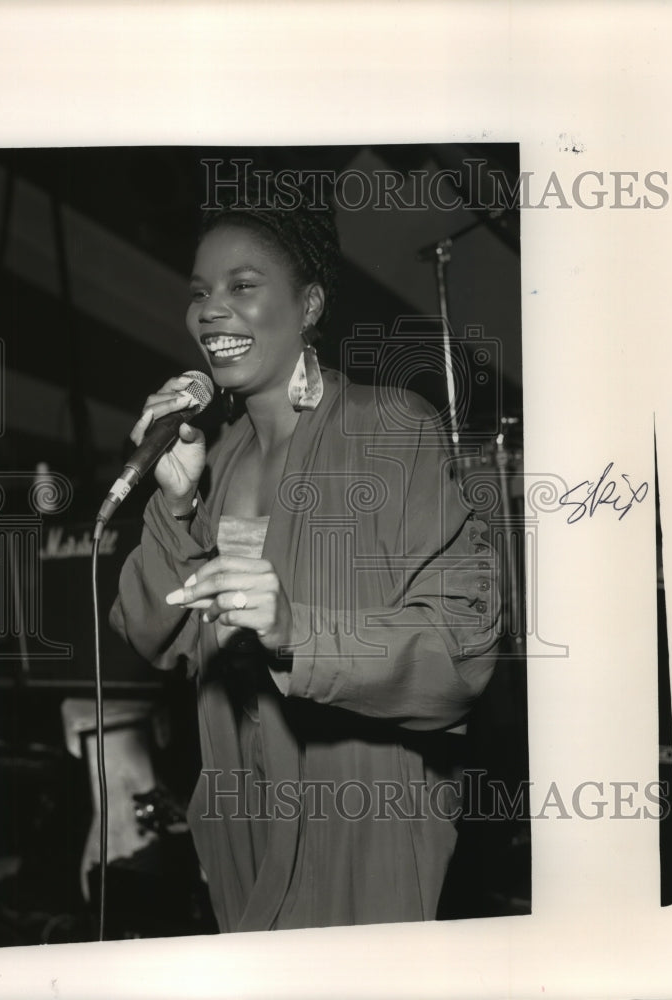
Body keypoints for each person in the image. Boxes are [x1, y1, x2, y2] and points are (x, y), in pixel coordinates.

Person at [110, 193, 500, 932]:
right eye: (200, 293)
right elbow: (151, 636)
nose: (211, 311)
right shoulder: (215, 460)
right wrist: (175, 502)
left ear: (310, 302)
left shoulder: (389, 427)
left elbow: (464, 650)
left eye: (242, 286)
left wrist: (297, 631)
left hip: (360, 823)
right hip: (241, 825)